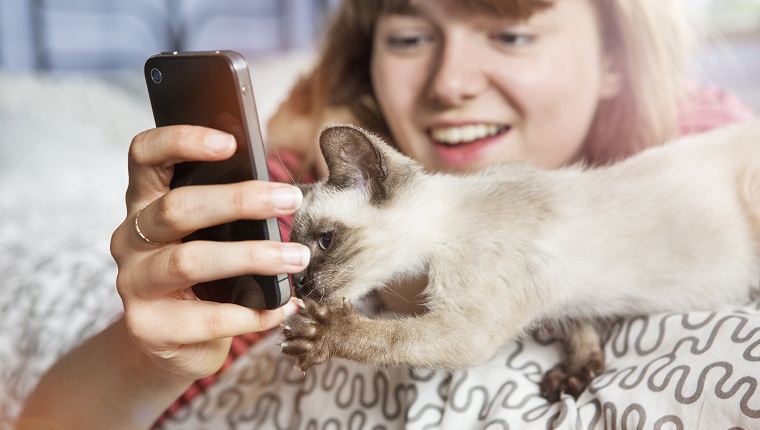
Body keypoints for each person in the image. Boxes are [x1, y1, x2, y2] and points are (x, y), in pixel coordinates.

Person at [18, 0, 756, 428]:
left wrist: (341, 331)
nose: (453, 83)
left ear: (615, 59)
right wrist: (146, 354)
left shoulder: (701, 128)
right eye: (408, 36)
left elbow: (475, 326)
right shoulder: (286, 191)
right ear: (366, 58)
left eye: (510, 31)